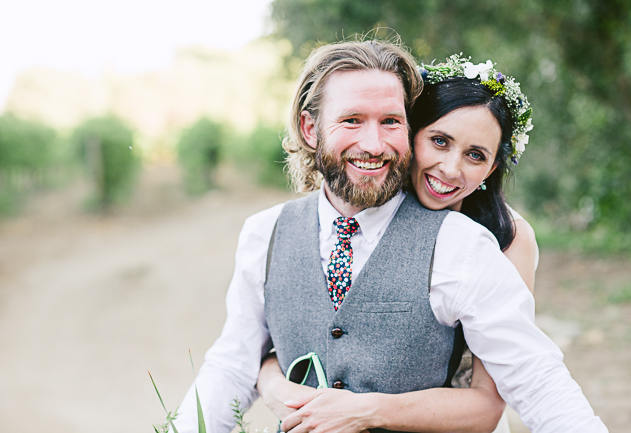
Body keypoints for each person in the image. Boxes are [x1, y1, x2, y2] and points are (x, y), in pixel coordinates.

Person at [172, 40, 608, 433]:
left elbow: (535, 376)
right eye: (352, 120)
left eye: (390, 122)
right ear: (310, 129)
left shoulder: (460, 243)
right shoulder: (263, 234)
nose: (374, 143)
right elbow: (232, 364)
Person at [256, 54, 538, 433]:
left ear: (492, 168)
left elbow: (493, 393)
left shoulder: (507, 240)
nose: (450, 169)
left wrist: (362, 410)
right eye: (439, 141)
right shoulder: (364, 200)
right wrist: (272, 383)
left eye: (475, 155)